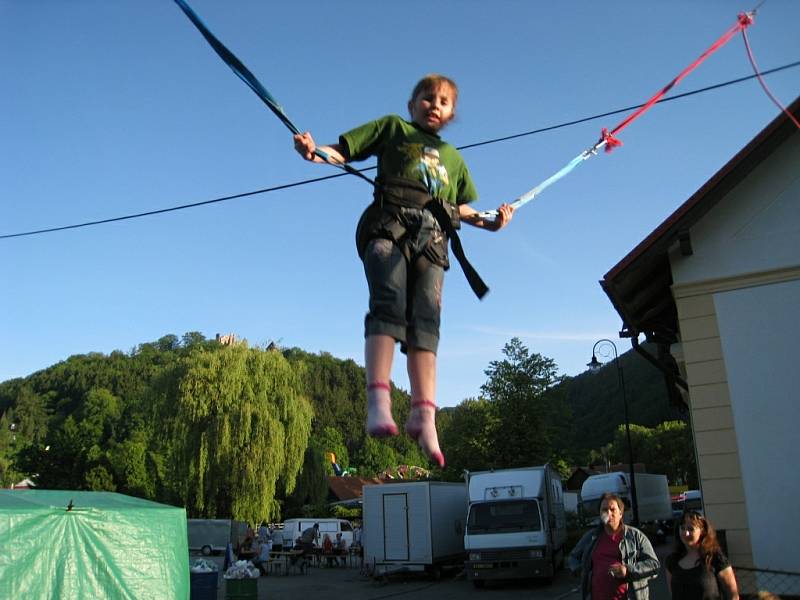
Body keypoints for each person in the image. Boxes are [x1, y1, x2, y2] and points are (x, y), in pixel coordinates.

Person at [293, 74, 515, 469]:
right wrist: (314, 152)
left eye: (444, 101)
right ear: (412, 104)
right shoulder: (393, 128)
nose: (435, 105)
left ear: (451, 113)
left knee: (426, 324)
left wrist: (492, 222)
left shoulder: (454, 158)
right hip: (389, 226)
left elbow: (462, 209)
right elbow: (344, 151)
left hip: (432, 239)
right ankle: (378, 400)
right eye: (427, 98)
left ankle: (424, 415)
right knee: (389, 304)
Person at [567, 492, 660, 599]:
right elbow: (573, 557)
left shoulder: (635, 536)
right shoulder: (591, 537)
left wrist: (628, 570)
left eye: (612, 509)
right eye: (604, 510)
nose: (608, 513)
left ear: (621, 513)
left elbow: (654, 566)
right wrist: (583, 572)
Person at [665, 511, 739, 600]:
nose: (686, 533)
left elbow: (733, 596)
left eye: (691, 529)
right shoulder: (672, 561)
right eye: (682, 528)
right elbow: (673, 595)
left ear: (702, 531)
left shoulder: (715, 558)